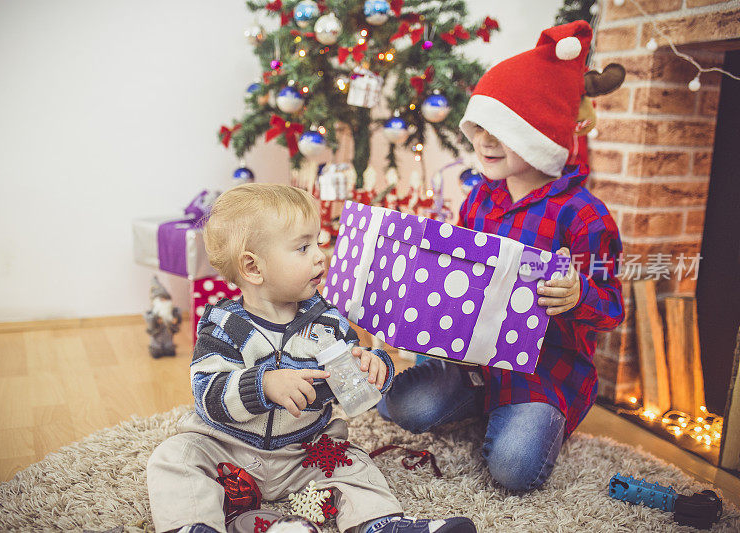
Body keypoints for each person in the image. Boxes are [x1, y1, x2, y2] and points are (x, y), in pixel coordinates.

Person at [378, 20, 625, 492]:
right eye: (480, 128)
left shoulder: (584, 216)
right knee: (399, 406)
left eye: (505, 129)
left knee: (515, 469)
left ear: (542, 132)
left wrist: (578, 296)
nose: (485, 141)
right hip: (473, 360)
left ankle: (524, 418)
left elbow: (612, 306)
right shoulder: (479, 199)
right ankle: (479, 402)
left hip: (542, 371)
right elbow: (458, 280)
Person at [147, 183, 478, 533]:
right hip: (229, 454)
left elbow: (350, 394)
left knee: (355, 462)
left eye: (318, 242)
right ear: (253, 267)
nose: (320, 255)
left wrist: (373, 369)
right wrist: (264, 385)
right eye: (303, 247)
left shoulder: (328, 322)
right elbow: (207, 395)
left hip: (303, 453)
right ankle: (193, 525)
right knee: (174, 457)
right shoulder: (223, 325)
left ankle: (382, 523)